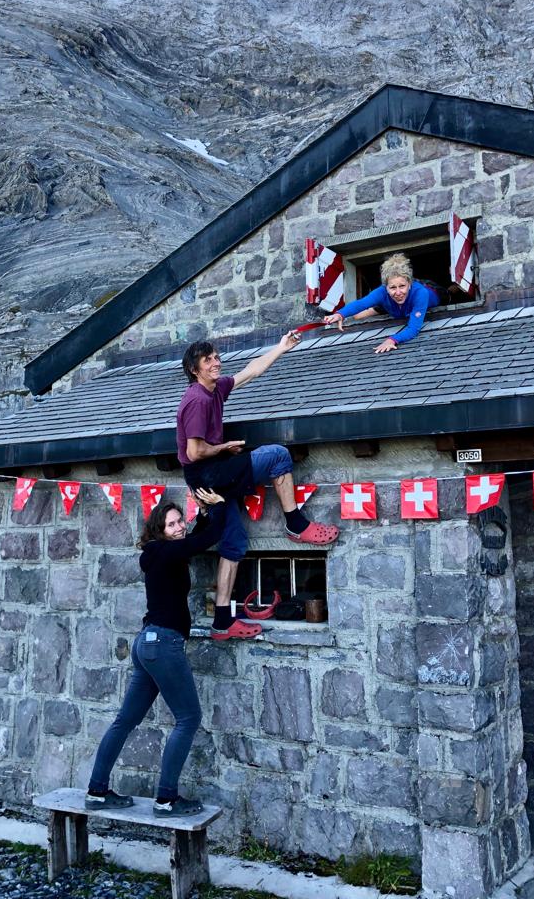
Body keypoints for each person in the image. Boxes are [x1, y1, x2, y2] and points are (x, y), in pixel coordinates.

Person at [176, 333, 339, 642]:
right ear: (195, 370)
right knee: (277, 455)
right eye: (208, 360)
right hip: (207, 474)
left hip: (212, 472)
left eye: (216, 357)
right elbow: (194, 452)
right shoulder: (197, 400)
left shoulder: (215, 389)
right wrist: (225, 447)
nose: (216, 362)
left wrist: (281, 347)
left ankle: (222, 622)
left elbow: (250, 372)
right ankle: (295, 525)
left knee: (234, 542)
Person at [85, 488, 225, 818]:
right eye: (171, 524)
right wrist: (220, 508)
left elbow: (195, 537)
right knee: (189, 719)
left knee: (125, 721)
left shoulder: (161, 553)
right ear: (159, 531)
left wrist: (203, 515)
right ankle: (166, 799)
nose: (179, 528)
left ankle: (97, 792)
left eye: (180, 522)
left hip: (147, 643)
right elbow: (206, 540)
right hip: (163, 644)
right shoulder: (166, 551)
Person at [320, 252, 450, 354]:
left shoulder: (420, 293)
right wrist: (340, 314)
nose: (398, 292)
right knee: (357, 316)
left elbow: (413, 328)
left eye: (402, 286)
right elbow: (361, 303)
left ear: (409, 284)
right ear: (386, 287)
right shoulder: (381, 292)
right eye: (392, 287)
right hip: (392, 306)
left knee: (450, 293)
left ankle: (452, 289)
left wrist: (392, 340)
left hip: (434, 295)